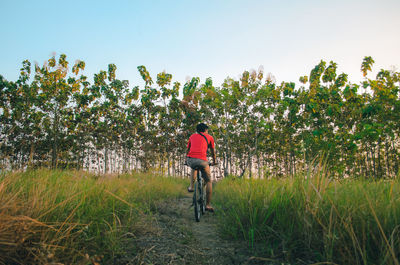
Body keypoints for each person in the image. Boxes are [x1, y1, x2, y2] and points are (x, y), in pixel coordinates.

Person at [186, 123, 216, 212]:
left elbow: (188, 150)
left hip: (191, 159)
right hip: (203, 161)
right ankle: (207, 205)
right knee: (208, 181)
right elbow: (212, 151)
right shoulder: (209, 137)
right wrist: (214, 161)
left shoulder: (192, 136)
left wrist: (186, 160)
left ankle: (191, 187)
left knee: (194, 167)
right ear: (205, 130)